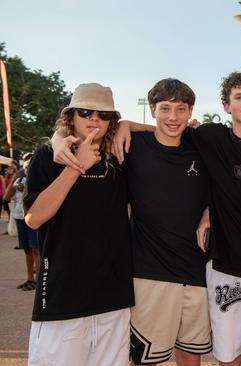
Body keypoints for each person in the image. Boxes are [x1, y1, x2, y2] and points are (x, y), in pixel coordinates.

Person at [112, 71, 241, 366]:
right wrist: (124, 124)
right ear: (226, 105)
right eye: (238, 97)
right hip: (213, 267)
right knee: (209, 357)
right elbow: (167, 129)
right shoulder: (209, 137)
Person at [52, 79, 213, 366]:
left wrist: (208, 212)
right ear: (152, 110)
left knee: (191, 356)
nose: (172, 117)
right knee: (146, 360)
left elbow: (225, 188)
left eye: (180, 109)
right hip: (149, 273)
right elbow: (86, 136)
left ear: (190, 112)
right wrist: (58, 138)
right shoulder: (131, 146)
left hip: (196, 270)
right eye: (165, 108)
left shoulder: (200, 146)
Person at [24, 83, 133, 366]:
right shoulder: (47, 157)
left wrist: (128, 125)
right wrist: (76, 166)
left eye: (103, 114)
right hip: (62, 298)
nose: (94, 119)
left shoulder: (120, 157)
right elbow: (34, 218)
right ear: (71, 116)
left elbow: (167, 128)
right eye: (85, 112)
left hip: (113, 299)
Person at [7, 154, 39, 291]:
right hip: (20, 216)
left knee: (36, 249)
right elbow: (7, 197)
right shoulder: (19, 178)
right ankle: (30, 279)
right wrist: (15, 179)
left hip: (34, 216)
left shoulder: (39, 177)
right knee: (26, 249)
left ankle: (39, 280)